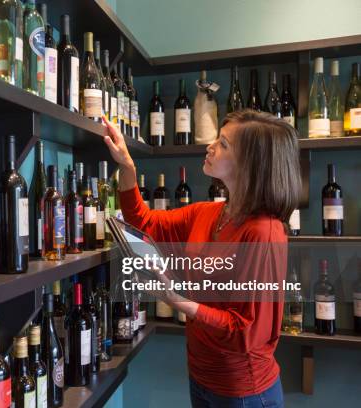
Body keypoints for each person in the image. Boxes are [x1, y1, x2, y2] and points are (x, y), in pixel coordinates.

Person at [102, 110, 301, 407]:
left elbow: (245, 332)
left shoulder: (264, 233)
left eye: (222, 143)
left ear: (249, 164)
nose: (210, 146)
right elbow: (145, 223)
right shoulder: (208, 213)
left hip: (243, 392)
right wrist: (127, 166)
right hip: (200, 377)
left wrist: (177, 300)